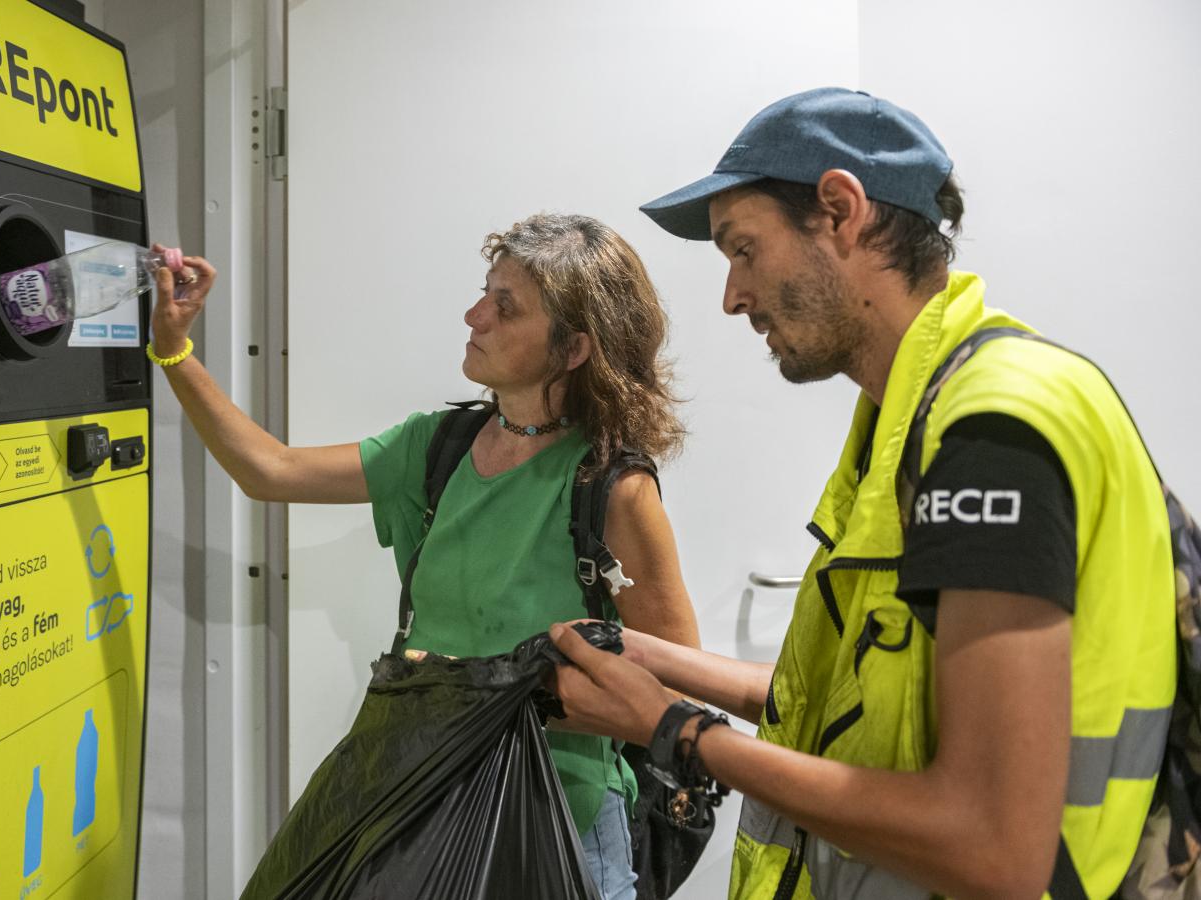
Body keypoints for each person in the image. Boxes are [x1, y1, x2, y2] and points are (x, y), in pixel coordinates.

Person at [549, 87, 1175, 899]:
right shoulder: (903, 423)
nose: (733, 297)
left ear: (841, 211)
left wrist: (671, 729)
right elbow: (868, 703)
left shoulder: (993, 429)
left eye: (744, 250)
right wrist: (648, 659)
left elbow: (994, 845)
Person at [147, 213, 700, 898]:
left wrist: (523, 700)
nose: (474, 316)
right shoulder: (438, 448)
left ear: (573, 348)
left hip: (559, 822)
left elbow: (673, 689)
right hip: (417, 792)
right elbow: (272, 470)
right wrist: (173, 349)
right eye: (484, 292)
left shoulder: (613, 490)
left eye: (506, 307)